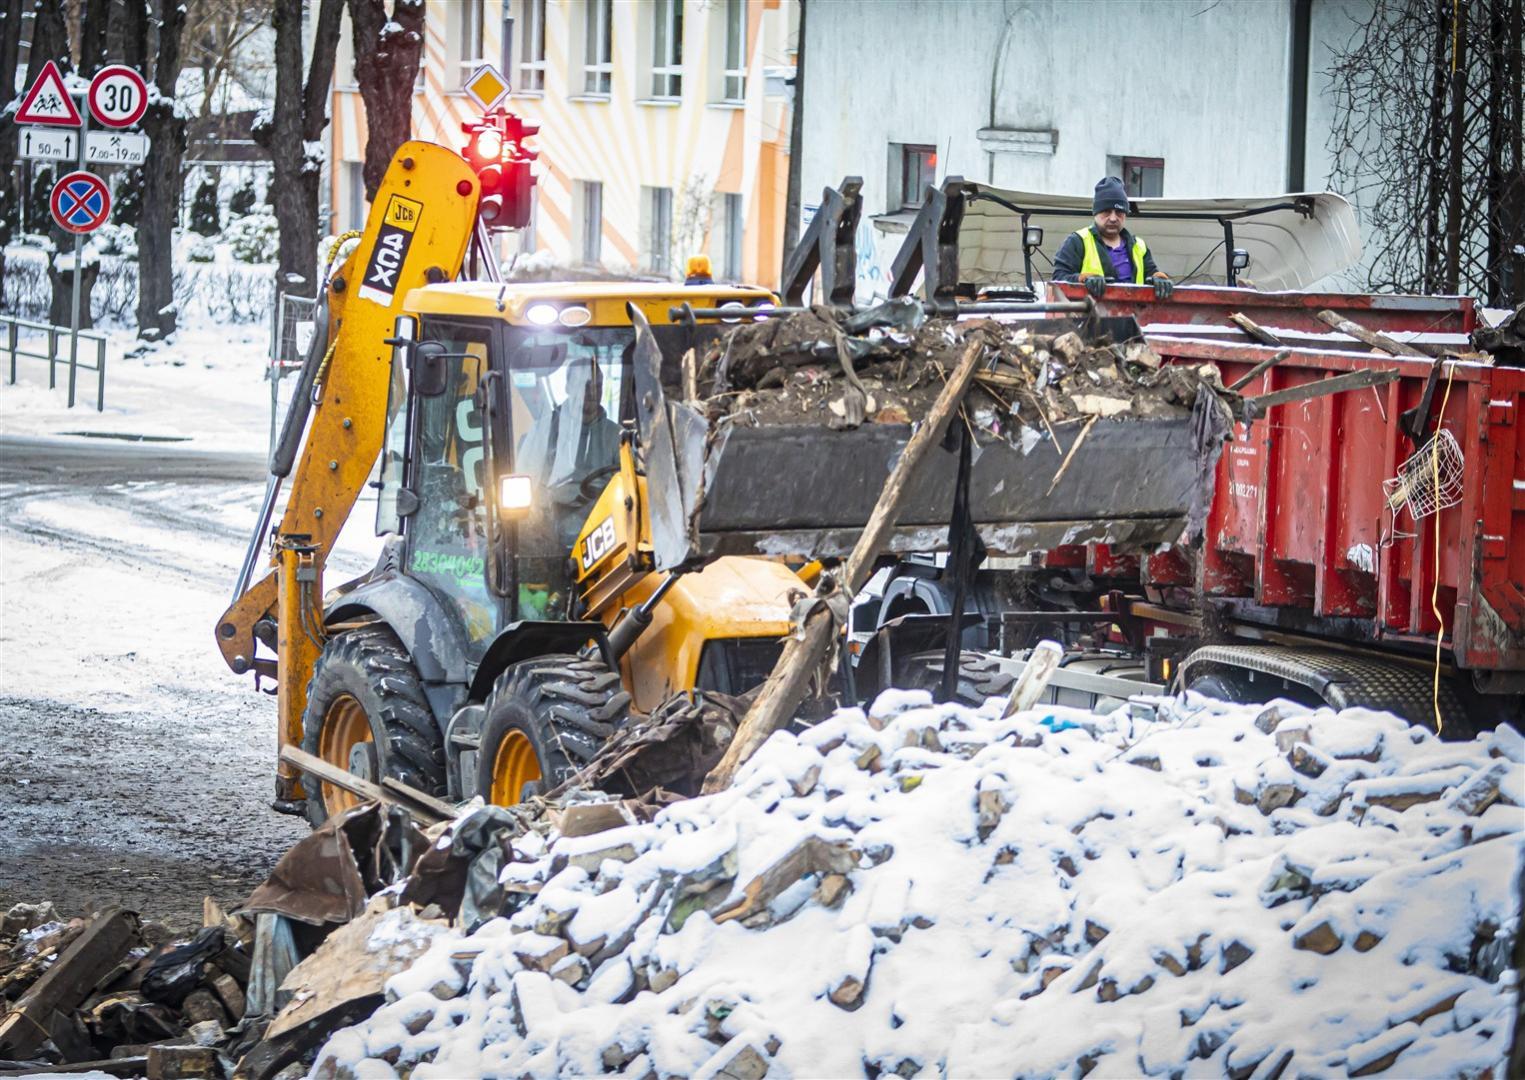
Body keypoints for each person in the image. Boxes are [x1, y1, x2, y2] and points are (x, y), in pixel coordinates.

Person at [1052, 176, 1173, 300]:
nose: (1113, 218)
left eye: (1119, 212)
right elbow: (1058, 280)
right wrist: (1084, 279)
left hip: (1133, 315)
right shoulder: (1077, 241)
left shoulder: (1139, 246)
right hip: (1090, 316)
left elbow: (1151, 273)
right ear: (1095, 213)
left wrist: (1159, 278)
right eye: (1106, 212)